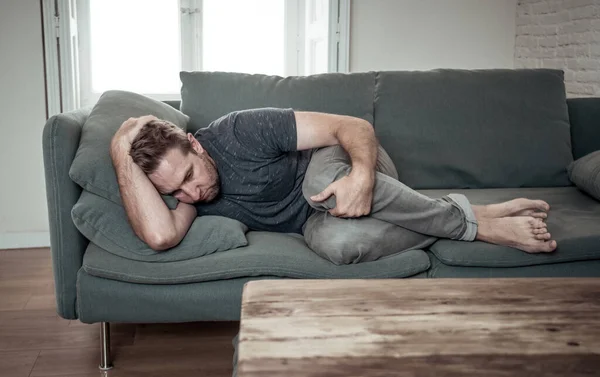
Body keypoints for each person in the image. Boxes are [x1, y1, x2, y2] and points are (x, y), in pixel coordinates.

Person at [109, 108, 557, 264]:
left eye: (189, 177)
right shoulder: (190, 195)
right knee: (336, 247)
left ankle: (475, 227)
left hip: (354, 167)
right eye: (177, 194)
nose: (191, 195)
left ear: (196, 145)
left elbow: (352, 126)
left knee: (317, 185)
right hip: (324, 215)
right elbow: (161, 235)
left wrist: (361, 176)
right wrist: (118, 153)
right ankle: (475, 213)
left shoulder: (240, 132)